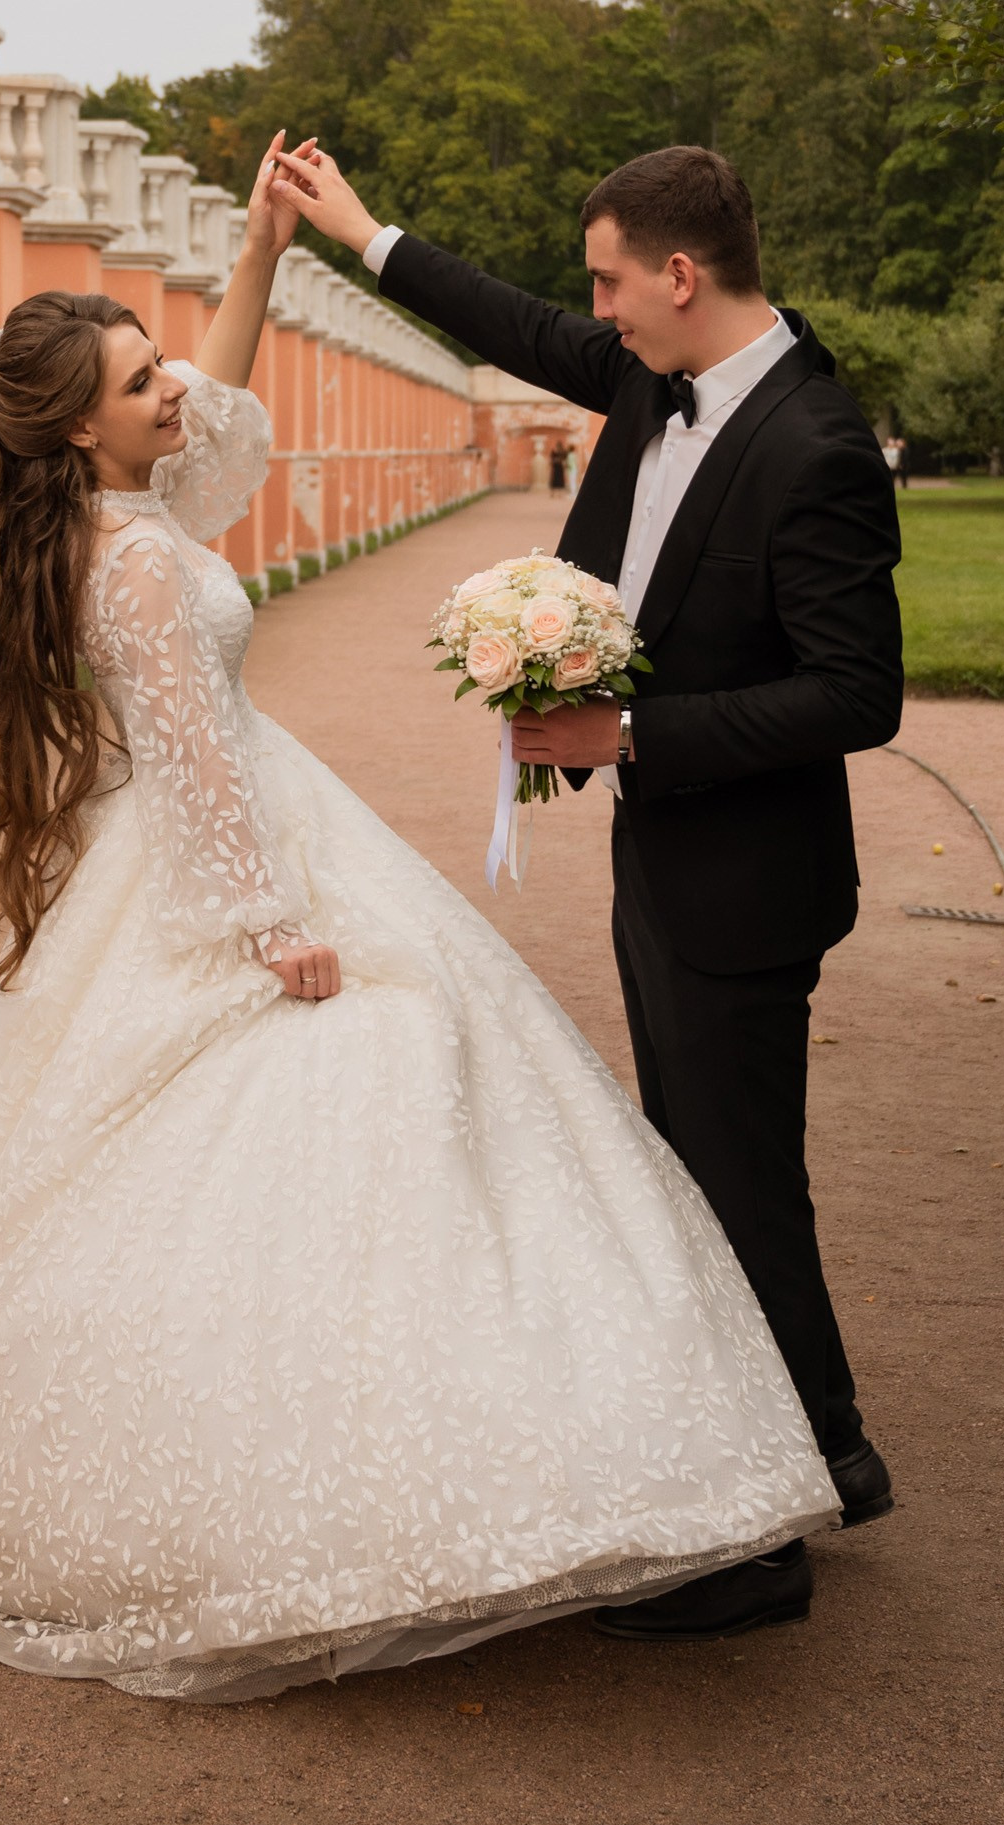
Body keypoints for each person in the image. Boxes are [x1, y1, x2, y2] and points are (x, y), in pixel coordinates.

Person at [0, 134, 836, 1700]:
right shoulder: (141, 570)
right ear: (84, 429)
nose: (182, 397)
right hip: (240, 859)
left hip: (244, 829)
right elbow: (190, 765)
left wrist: (261, 263)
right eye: (144, 382)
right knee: (383, 1085)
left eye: (162, 368)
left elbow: (216, 424)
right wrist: (270, 929)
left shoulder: (113, 517)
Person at [274, 140, 902, 1642]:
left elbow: (856, 695)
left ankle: (757, 1545)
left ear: (680, 275)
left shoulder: (812, 444)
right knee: (711, 1170)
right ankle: (822, 1446)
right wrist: (365, 235)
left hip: (746, 880)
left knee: (734, 1182)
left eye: (612, 281)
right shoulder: (649, 376)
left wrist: (634, 735)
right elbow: (520, 329)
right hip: (668, 859)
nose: (596, 312)